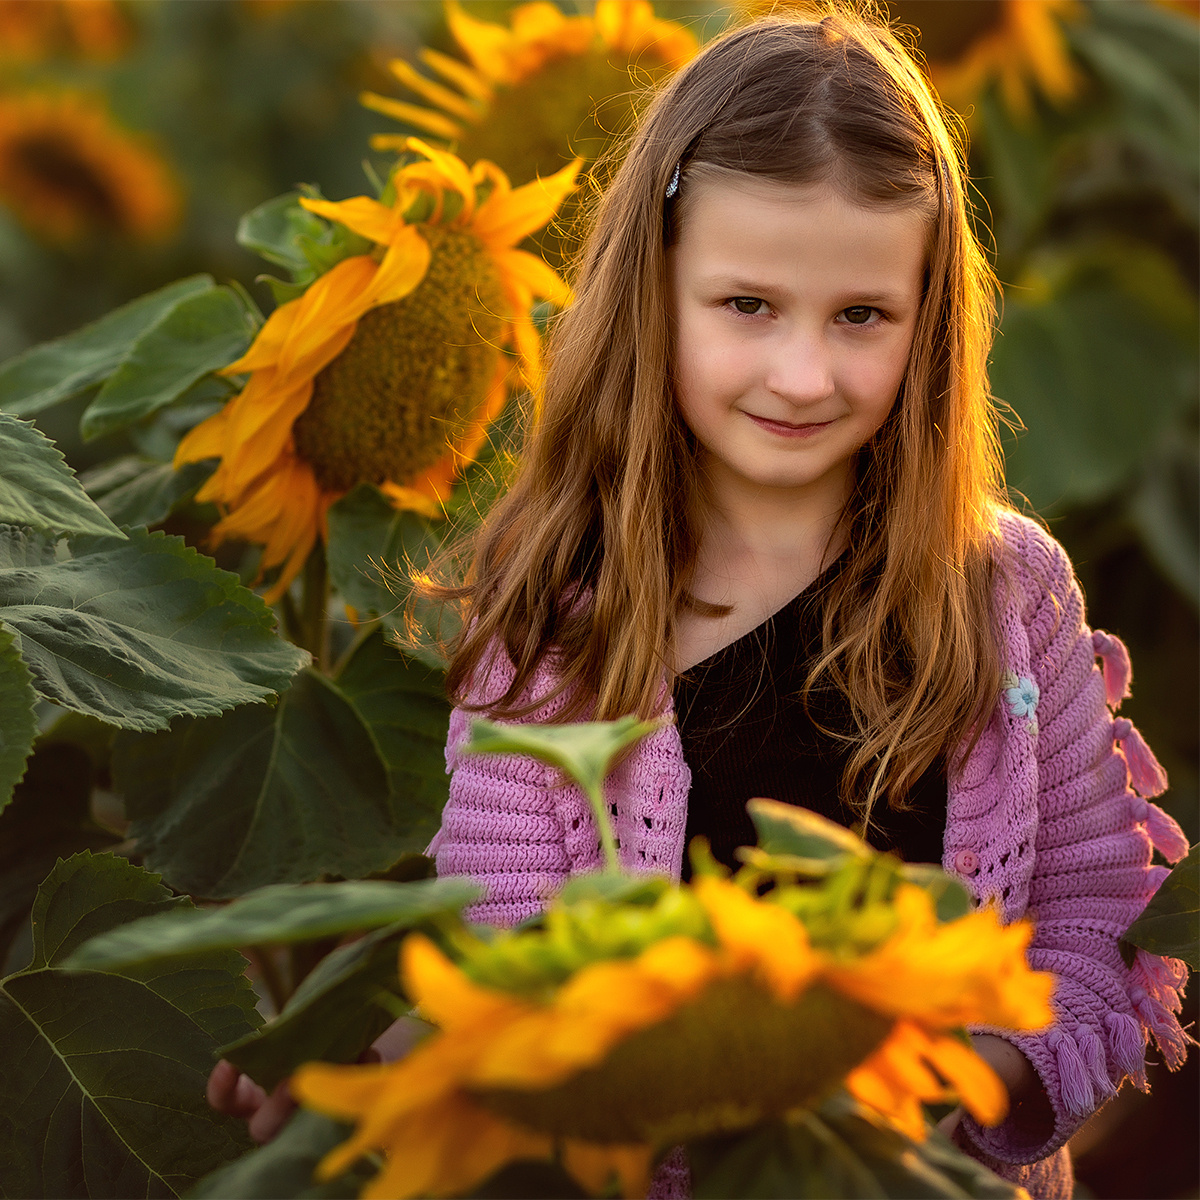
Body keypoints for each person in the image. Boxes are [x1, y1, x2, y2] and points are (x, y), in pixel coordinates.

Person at [211, 10, 1190, 1198]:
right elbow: (512, 962)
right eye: (747, 307)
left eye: (861, 317)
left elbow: (1091, 940)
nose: (802, 374)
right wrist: (364, 1069)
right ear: (656, 289)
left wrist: (923, 1097)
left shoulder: (1005, 597)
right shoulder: (561, 619)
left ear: (929, 318)